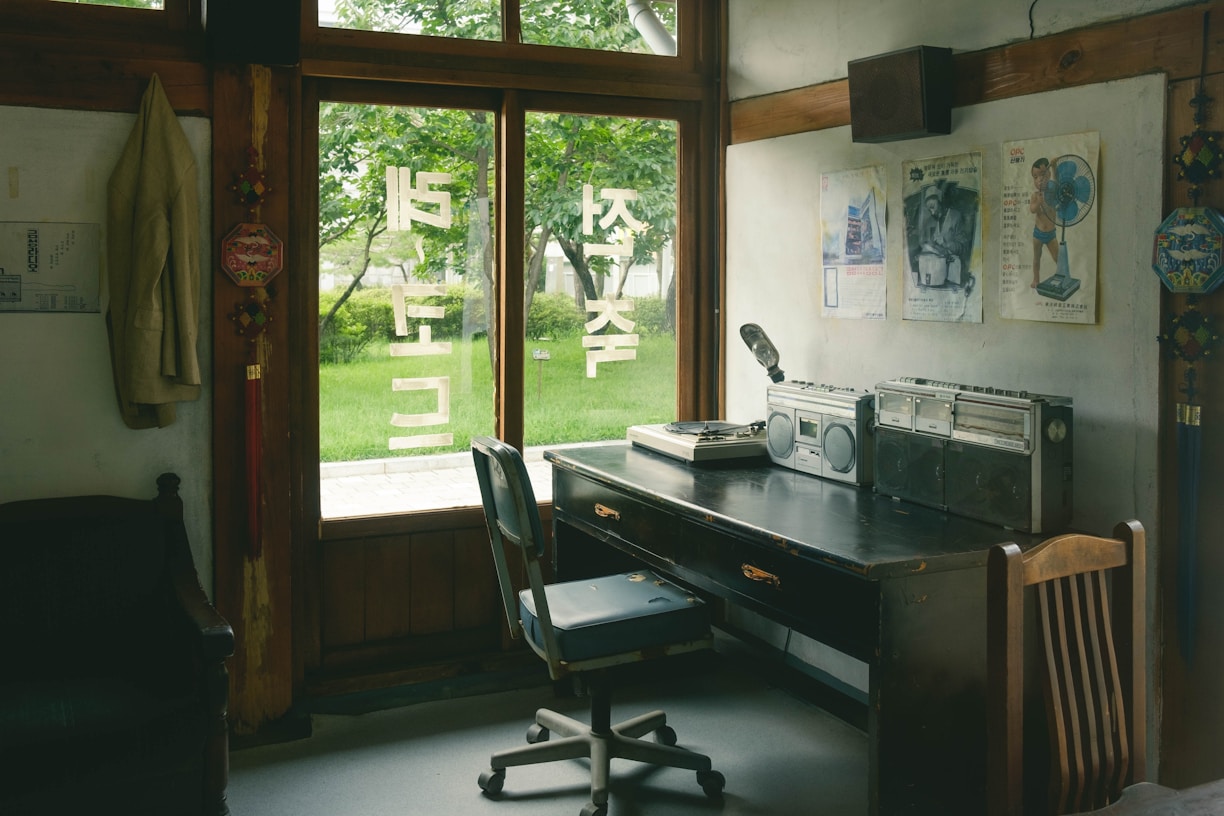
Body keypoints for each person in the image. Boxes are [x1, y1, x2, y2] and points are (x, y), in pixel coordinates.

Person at [919, 190, 968, 285]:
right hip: (937, 269)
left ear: (940, 201)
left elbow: (963, 247)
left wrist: (946, 243)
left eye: (933, 207)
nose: (932, 212)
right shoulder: (934, 221)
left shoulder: (956, 217)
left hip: (952, 272)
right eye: (929, 209)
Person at [1029, 157, 1059, 287]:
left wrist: (1054, 166)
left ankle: (1061, 276)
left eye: (1042, 175)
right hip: (1038, 233)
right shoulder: (1035, 195)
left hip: (1051, 234)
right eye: (1035, 177)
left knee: (1058, 258)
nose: (1039, 179)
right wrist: (1038, 203)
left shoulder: (1053, 192)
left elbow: (1058, 182)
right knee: (1036, 258)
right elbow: (1032, 209)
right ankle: (1036, 279)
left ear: (1049, 174)